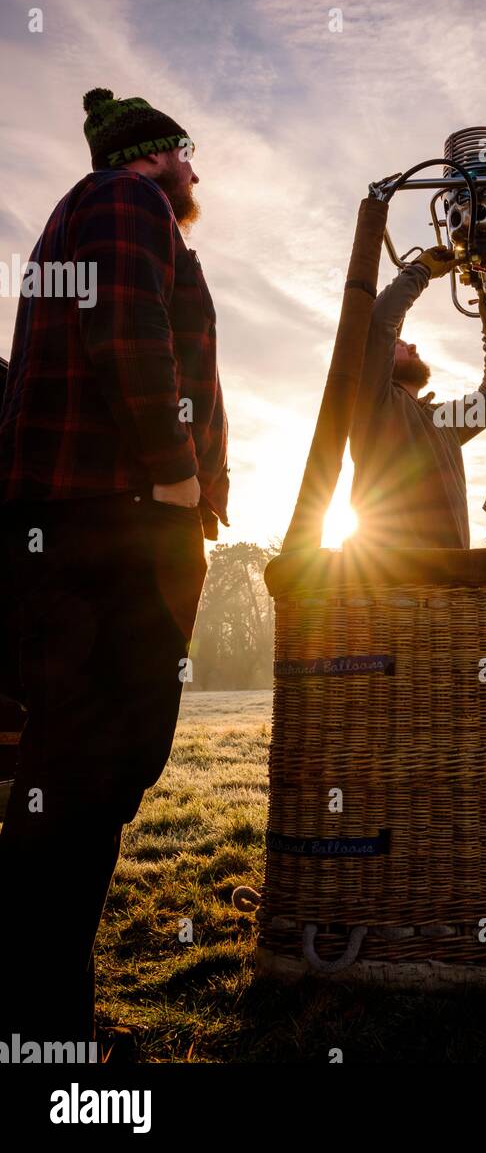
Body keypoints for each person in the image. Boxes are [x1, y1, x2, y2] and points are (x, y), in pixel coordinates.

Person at [0, 87, 228, 1056]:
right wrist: (178, 485)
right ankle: (42, 1043)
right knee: (84, 779)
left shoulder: (89, 216)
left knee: (80, 780)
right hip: (110, 532)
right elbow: (131, 336)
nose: (197, 171)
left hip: (90, 533)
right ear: (157, 152)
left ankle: (46, 1023)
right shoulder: (126, 204)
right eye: (189, 153)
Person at [349, 246, 486, 547]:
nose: (412, 347)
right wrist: (420, 271)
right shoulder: (373, 402)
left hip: (451, 578)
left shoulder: (442, 420)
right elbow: (379, 323)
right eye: (400, 344)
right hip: (392, 579)